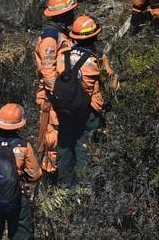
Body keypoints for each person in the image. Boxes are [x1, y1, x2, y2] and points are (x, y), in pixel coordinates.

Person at [51, 15, 119, 187]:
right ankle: (83, 189)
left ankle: (63, 188)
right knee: (85, 148)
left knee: (65, 147)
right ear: (94, 36)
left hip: (64, 110)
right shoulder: (96, 60)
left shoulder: (62, 57)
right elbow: (112, 85)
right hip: (88, 112)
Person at [0, 103, 42, 240]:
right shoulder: (24, 146)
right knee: (21, 234)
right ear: (19, 125)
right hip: (18, 198)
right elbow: (35, 174)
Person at [32, 0, 78, 177]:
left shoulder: (61, 34)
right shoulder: (50, 37)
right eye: (71, 12)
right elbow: (48, 70)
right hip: (53, 99)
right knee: (52, 138)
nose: (74, 15)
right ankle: (51, 180)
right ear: (63, 14)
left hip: (62, 94)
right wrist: (60, 95)